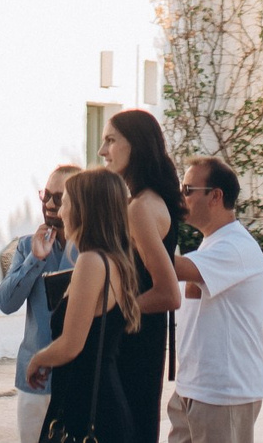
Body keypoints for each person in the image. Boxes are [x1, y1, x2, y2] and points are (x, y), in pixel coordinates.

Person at [26, 168, 143, 443]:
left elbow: (71, 344)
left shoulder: (91, 262)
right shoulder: (114, 259)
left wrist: (38, 359)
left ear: (83, 209)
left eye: (65, 201)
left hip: (87, 404)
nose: (60, 210)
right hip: (97, 398)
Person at [100, 110, 185, 442]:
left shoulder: (140, 208)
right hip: (139, 338)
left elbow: (168, 293)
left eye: (111, 140)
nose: (102, 151)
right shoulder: (147, 200)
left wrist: (111, 315)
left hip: (133, 342)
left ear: (135, 146)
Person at [168, 159, 263, 443]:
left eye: (188, 189)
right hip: (194, 389)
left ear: (215, 195)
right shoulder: (211, 244)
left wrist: (140, 222)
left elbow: (172, 268)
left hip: (225, 394)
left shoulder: (235, 246)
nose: (181, 197)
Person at [0, 165, 82, 443]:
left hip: (78, 379)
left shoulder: (92, 249)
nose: (48, 204)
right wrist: (35, 259)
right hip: (36, 381)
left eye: (58, 197)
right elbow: (6, 302)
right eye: (45, 195)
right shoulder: (26, 245)